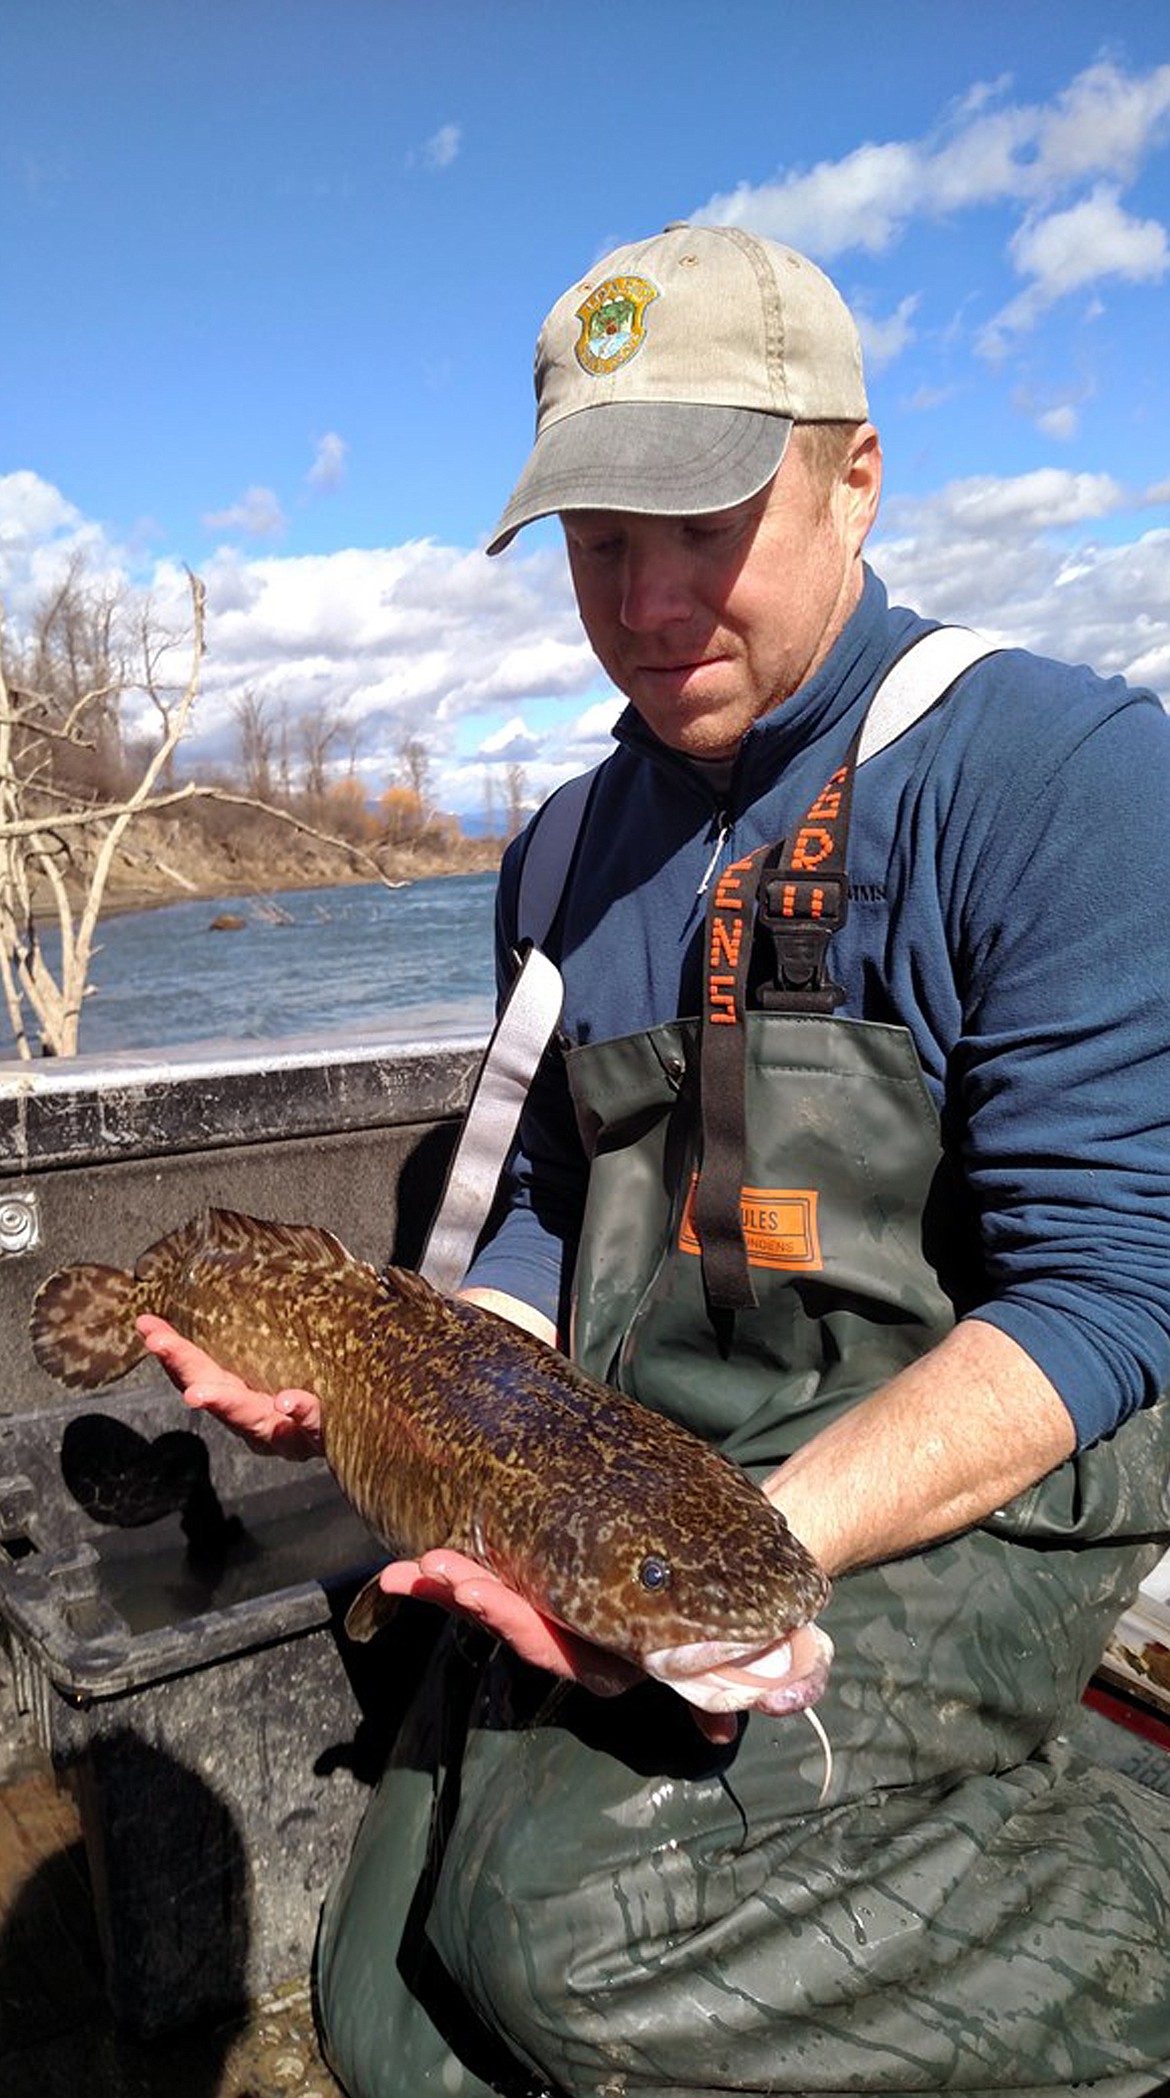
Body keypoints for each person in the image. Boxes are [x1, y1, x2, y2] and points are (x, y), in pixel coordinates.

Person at [143, 224, 1170, 2097]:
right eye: (597, 544)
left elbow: (1107, 1295)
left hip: (967, 1466)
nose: (645, 598)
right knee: (388, 2009)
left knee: (566, 1944)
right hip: (655, 1454)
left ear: (855, 476)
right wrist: (429, 1401)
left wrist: (745, 1559)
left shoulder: (1059, 776)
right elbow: (539, 1202)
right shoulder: (558, 854)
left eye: (704, 522)